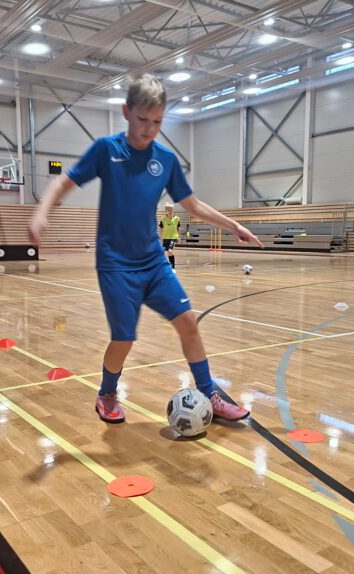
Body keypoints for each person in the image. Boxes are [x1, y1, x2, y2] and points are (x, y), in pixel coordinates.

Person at [28, 73, 263, 425]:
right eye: (142, 119)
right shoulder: (107, 150)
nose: (148, 129)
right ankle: (107, 393)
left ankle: (210, 394)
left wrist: (235, 226)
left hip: (153, 262)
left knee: (188, 323)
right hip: (116, 265)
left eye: (157, 122)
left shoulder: (165, 160)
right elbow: (64, 180)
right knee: (124, 339)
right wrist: (41, 211)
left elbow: (193, 205)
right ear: (126, 112)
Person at [159, 202, 180, 270]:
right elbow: (160, 228)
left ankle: (173, 268)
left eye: (171, 210)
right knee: (168, 253)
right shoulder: (163, 219)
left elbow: (178, 228)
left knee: (170, 251)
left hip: (173, 237)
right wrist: (161, 237)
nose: (170, 212)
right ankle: (167, 266)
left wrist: (178, 237)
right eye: (169, 210)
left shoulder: (176, 219)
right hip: (166, 237)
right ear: (166, 211)